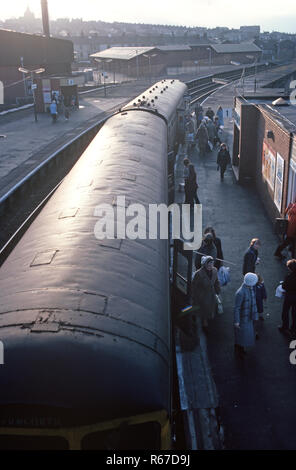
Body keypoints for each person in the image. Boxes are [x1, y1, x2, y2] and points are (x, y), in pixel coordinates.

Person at [192, 256, 220, 331]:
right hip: (202, 295)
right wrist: (195, 296)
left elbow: (216, 281)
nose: (210, 266)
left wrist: (218, 290)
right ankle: (205, 324)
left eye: (212, 264)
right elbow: (194, 285)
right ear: (204, 264)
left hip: (211, 294)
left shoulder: (214, 270)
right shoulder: (199, 274)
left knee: (210, 307)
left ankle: (207, 318)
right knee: (203, 310)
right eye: (209, 264)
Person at [234, 272, 258, 355]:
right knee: (242, 335)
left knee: (244, 334)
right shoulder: (240, 293)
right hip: (243, 318)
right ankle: (239, 349)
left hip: (248, 316)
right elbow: (237, 308)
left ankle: (240, 347)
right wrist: (237, 321)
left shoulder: (249, 288)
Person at [278, 259, 296, 335]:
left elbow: (284, 287)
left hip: (289, 296)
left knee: (285, 312)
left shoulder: (288, 277)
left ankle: (285, 327)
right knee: (295, 313)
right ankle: (294, 329)